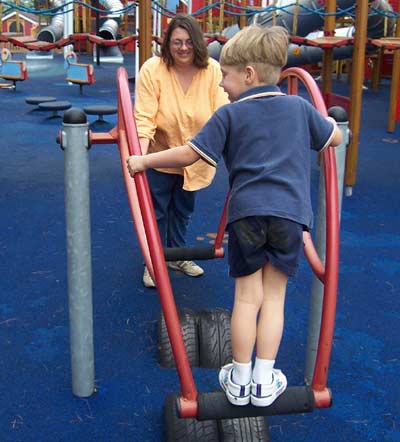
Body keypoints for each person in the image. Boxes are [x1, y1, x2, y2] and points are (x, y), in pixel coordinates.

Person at [127, 25, 342, 406]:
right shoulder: (298, 107)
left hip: (246, 216)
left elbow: (188, 154)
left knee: (246, 298)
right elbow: (334, 136)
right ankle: (263, 381)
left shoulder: (230, 115)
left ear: (248, 75)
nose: (221, 84)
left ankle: (239, 378)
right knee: (274, 299)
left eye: (225, 75)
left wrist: (143, 160)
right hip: (291, 216)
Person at [134, 14, 229, 288]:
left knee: (183, 209)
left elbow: (223, 111)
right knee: (157, 209)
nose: (183, 48)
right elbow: (144, 118)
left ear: (197, 43)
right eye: (176, 42)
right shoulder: (153, 69)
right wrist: (140, 159)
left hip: (195, 157)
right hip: (160, 154)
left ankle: (177, 254)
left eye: (188, 42)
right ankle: (154, 261)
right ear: (167, 43)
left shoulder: (211, 70)